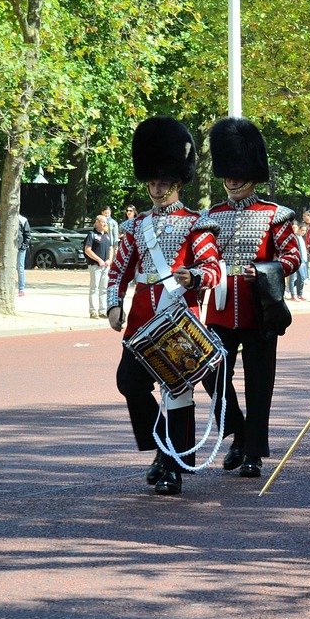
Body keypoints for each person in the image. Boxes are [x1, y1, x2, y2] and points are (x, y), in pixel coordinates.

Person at [106, 116, 222, 496]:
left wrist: (195, 277)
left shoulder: (196, 223)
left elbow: (214, 268)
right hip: (141, 323)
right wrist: (113, 305)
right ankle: (160, 447)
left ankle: (173, 464)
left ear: (177, 182)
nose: (156, 188)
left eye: (162, 182)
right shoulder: (137, 226)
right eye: (152, 182)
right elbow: (119, 269)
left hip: (178, 320)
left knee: (178, 393)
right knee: (129, 384)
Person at [200, 116, 301, 479]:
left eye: (239, 173)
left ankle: (253, 452)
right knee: (211, 374)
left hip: (261, 309)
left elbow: (292, 257)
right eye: (228, 173)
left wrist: (263, 271)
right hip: (222, 309)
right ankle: (239, 433)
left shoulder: (275, 215)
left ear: (253, 175)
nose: (232, 180)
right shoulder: (211, 215)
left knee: (260, 384)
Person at [84, 215, 114, 318]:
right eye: (103, 222)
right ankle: (93, 311)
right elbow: (87, 249)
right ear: (97, 223)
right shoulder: (92, 235)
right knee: (94, 288)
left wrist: (110, 259)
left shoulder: (107, 235)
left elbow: (111, 248)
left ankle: (102, 310)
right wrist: (99, 260)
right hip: (95, 266)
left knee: (104, 289)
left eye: (106, 222)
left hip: (106, 266)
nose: (105, 224)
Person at [289, 220, 309, 300]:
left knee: (302, 277)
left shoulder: (299, 237)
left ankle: (299, 294)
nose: (295, 229)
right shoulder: (291, 237)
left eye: (296, 228)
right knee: (293, 277)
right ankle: (293, 294)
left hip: (301, 260)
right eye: (293, 228)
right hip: (293, 259)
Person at [15, 212, 31, 296]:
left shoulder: (23, 220)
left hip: (20, 248)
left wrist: (24, 245)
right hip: (10, 248)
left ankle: (21, 288)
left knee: (20, 268)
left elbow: (27, 234)